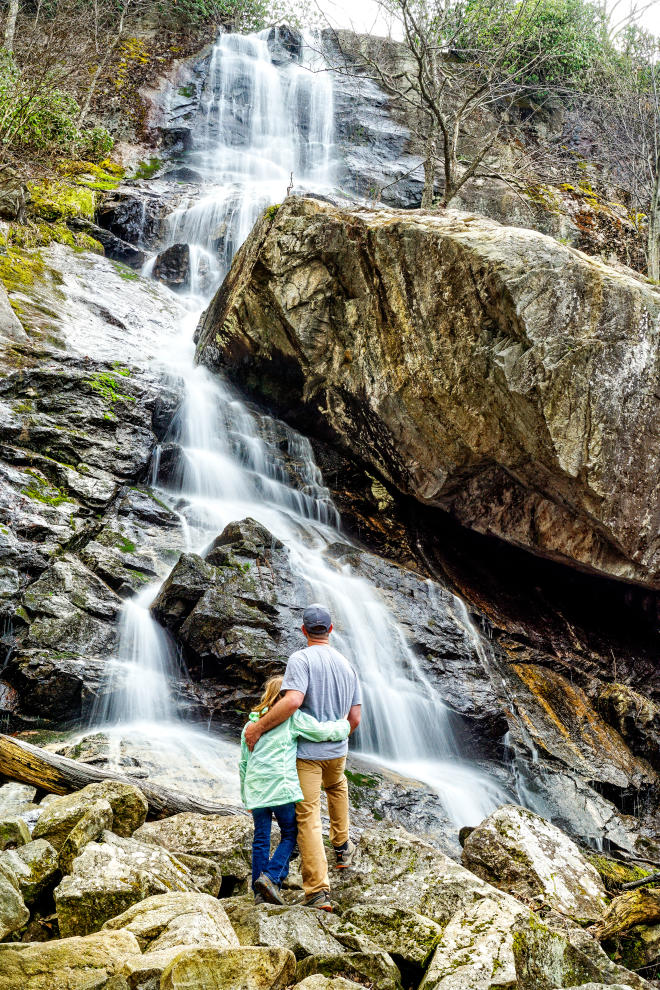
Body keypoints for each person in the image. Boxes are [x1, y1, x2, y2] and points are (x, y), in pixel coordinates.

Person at [244, 604, 362, 911]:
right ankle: (342, 845)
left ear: (304, 630)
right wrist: (337, 733)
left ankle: (318, 892)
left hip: (307, 754)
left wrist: (258, 728)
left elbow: (293, 701)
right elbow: (355, 718)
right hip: (338, 750)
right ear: (331, 630)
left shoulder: (301, 659)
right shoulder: (348, 665)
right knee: (336, 786)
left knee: (308, 818)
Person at [239, 673, 351, 906]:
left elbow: (243, 764)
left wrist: (245, 796)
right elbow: (321, 732)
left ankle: (259, 892)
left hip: (257, 790)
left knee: (261, 838)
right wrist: (345, 725)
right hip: (281, 788)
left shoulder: (250, 726)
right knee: (291, 834)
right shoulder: (292, 719)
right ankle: (270, 878)